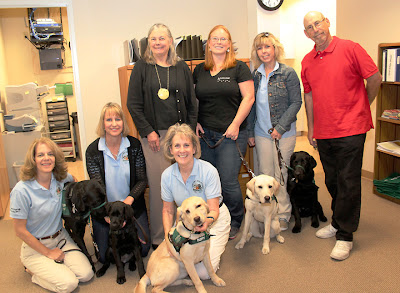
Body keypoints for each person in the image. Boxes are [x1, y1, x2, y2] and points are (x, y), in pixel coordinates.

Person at [301, 11, 382, 260]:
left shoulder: (351, 48)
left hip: (351, 129)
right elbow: (310, 97)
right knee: (332, 181)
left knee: (348, 181)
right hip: (324, 132)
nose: (315, 29)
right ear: (306, 34)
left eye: (318, 23)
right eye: (309, 27)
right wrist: (312, 128)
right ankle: (338, 221)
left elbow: (375, 78)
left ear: (327, 22)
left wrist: (362, 107)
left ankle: (345, 235)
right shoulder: (307, 60)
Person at [127, 23, 197, 248]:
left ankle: (188, 232)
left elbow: (192, 102)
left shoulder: (181, 67)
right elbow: (133, 104)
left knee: (186, 184)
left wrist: (190, 132)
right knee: (160, 188)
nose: (157, 42)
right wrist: (148, 131)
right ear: (149, 42)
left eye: (162, 38)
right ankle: (161, 237)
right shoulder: (141, 67)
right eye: (153, 39)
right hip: (155, 137)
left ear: (170, 41)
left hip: (182, 136)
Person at [193, 25, 255, 240]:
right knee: (210, 180)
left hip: (231, 134)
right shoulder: (199, 70)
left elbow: (249, 98)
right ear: (208, 44)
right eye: (214, 39)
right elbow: (196, 99)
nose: (219, 42)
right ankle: (216, 218)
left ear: (229, 44)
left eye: (223, 39)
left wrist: (236, 124)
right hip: (206, 134)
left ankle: (237, 219)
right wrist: (197, 122)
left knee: (228, 180)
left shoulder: (239, 68)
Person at [10, 137, 93, 292]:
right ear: (33, 159)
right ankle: (32, 271)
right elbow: (19, 230)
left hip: (61, 238)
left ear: (55, 157)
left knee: (86, 274)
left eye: (50, 154)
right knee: (69, 284)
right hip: (35, 246)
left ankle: (53, 265)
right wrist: (48, 253)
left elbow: (75, 183)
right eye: (40, 155)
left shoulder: (60, 179)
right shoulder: (21, 190)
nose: (46, 158)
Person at [247, 32, 302, 231]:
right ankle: (267, 213)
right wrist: (250, 131)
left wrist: (280, 127)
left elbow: (296, 102)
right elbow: (252, 105)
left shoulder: (288, 73)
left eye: (267, 47)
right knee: (265, 176)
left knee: (280, 177)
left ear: (275, 49)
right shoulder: (255, 75)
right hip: (261, 133)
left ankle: (284, 214)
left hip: (284, 134)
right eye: (260, 48)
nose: (264, 51)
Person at [161, 123, 231, 279]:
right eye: (177, 146)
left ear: (194, 148)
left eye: (187, 145)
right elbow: (167, 210)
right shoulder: (167, 175)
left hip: (213, 220)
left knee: (202, 273)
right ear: (171, 150)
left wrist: (206, 224)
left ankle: (217, 245)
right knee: (175, 262)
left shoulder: (208, 171)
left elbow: (213, 210)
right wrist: (167, 236)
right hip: (187, 221)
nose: (182, 150)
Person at [86, 102, 150, 262]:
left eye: (118, 119)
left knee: (143, 250)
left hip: (130, 207)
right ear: (103, 124)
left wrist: (128, 202)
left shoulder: (134, 145)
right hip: (106, 210)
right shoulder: (93, 151)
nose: (114, 124)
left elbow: (142, 180)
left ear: (123, 122)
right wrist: (109, 214)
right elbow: (97, 187)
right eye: (109, 120)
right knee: (104, 257)